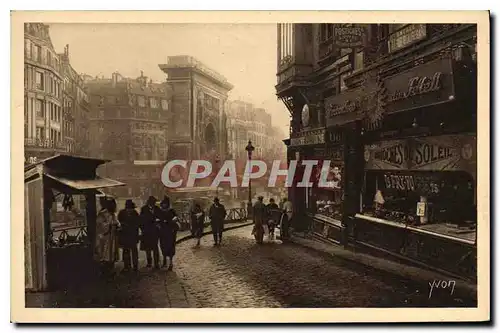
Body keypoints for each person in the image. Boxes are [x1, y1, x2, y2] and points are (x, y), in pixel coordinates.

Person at [94, 197, 121, 277]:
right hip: (104, 237)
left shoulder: (113, 214)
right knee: (105, 254)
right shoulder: (102, 214)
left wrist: (118, 226)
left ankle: (110, 269)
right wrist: (109, 226)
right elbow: (100, 224)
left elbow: (117, 222)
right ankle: (104, 271)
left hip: (112, 237)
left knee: (112, 254)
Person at [117, 199, 140, 272]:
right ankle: (127, 266)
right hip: (125, 235)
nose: (129, 210)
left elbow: (137, 224)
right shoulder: (121, 213)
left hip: (132, 235)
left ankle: (135, 266)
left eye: (131, 209)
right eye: (128, 208)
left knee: (134, 251)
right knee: (126, 251)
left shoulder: (135, 213)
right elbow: (120, 221)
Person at [158, 196, 180, 270]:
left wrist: (173, 220)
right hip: (163, 232)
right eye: (163, 204)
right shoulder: (160, 211)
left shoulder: (171, 211)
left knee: (171, 247)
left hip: (171, 232)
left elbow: (176, 217)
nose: (164, 205)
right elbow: (157, 219)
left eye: (165, 204)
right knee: (163, 246)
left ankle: (171, 262)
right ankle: (164, 260)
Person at [139, 196, 161, 269]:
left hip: (155, 232)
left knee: (155, 247)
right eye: (152, 202)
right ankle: (149, 262)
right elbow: (141, 221)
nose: (153, 204)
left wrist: (158, 224)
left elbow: (160, 218)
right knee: (147, 248)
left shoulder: (157, 209)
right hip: (147, 231)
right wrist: (143, 229)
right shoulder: (143, 209)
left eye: (154, 202)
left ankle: (156, 263)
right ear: (149, 202)